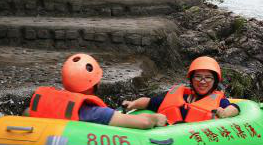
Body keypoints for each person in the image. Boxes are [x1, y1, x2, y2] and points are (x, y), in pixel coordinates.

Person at [26, 54, 167, 129]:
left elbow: (27, 113)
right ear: (94, 83)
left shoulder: (46, 103)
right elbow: (143, 123)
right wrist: (155, 118)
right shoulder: (96, 113)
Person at [122, 56, 239, 124]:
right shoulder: (179, 97)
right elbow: (148, 102)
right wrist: (132, 104)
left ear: (215, 82)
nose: (202, 81)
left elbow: (234, 108)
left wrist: (224, 113)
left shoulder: (218, 102)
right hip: (167, 133)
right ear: (191, 79)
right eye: (198, 77)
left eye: (208, 78)